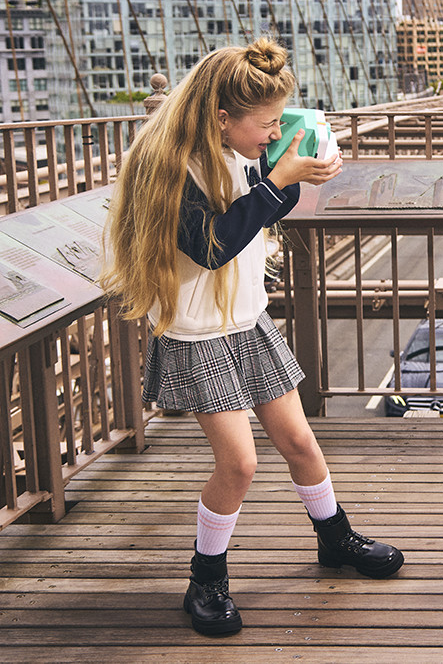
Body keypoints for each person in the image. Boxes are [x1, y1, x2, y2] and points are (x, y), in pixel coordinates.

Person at [101, 37, 404, 637]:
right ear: (222, 119)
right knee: (238, 464)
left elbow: (265, 209)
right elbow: (211, 246)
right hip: (198, 336)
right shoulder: (169, 168)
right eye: (265, 124)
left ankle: (335, 540)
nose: (270, 135)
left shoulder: (238, 153)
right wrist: (275, 182)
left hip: (246, 323)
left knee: (299, 442)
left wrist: (298, 170)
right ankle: (205, 579)